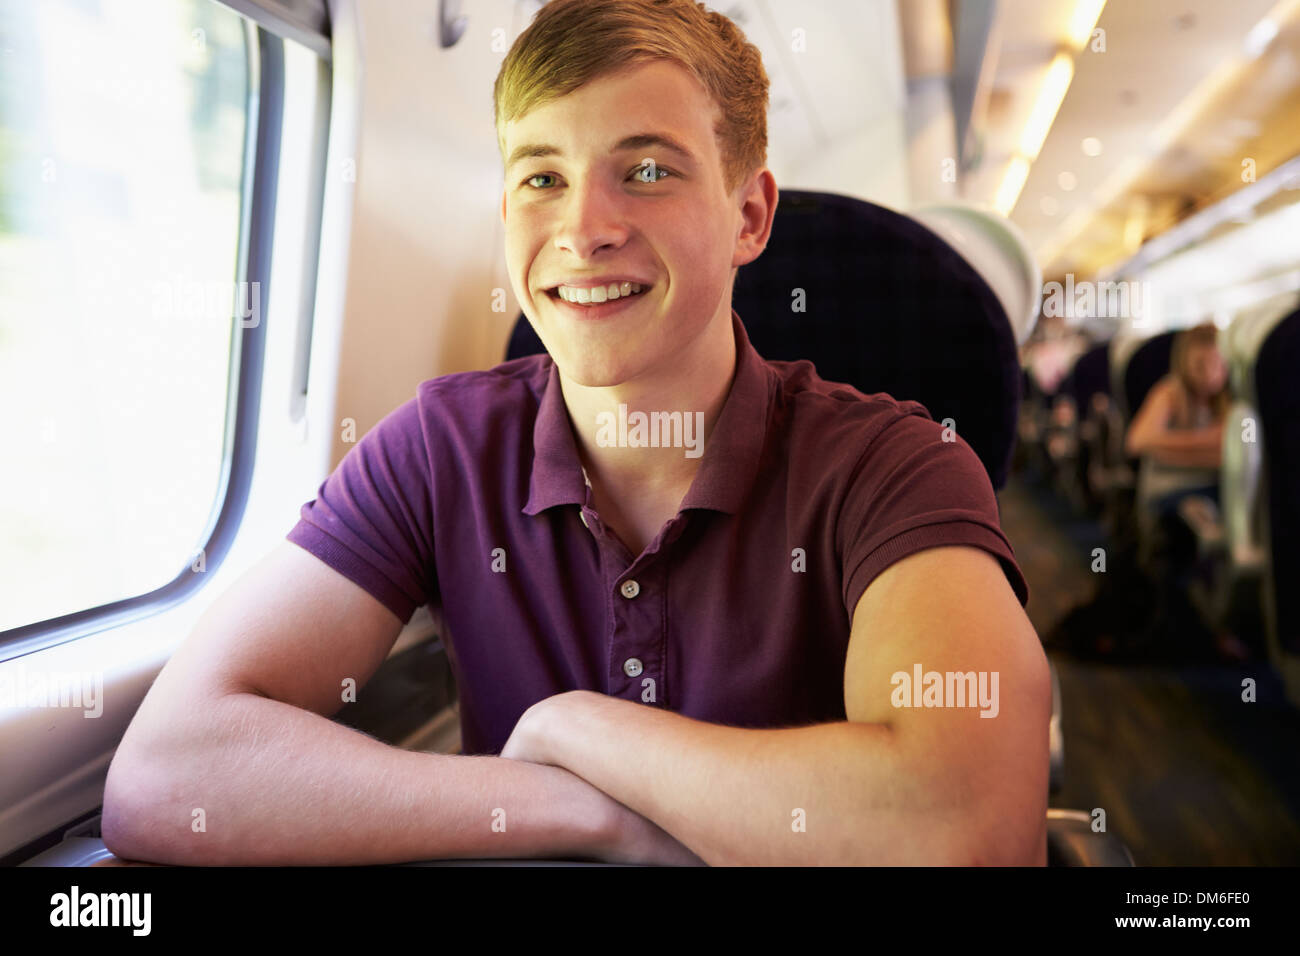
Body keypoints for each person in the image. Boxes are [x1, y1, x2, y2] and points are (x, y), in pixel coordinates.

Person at [102, 0, 1049, 866]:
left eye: (646, 170)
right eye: (543, 177)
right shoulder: (441, 447)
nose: (584, 227)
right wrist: (590, 811)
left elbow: (965, 826)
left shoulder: (897, 468)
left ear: (750, 214)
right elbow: (165, 776)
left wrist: (585, 733)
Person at [1124, 322, 1231, 653]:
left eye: (1217, 364)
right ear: (1185, 363)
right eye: (1201, 365)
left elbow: (1229, 448)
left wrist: (1169, 446)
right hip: (1168, 493)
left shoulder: (1230, 401)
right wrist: (1207, 448)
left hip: (1213, 489)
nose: (1210, 374)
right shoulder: (1170, 392)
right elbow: (1137, 442)